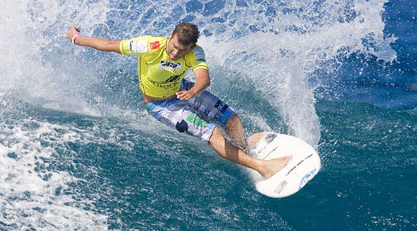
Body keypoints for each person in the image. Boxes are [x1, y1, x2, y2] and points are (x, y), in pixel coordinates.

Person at [67, 22, 291, 179]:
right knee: (211, 133)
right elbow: (109, 45)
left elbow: (204, 78)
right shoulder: (150, 45)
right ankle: (262, 167)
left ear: (191, 47)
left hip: (183, 89)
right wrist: (76, 38)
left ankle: (243, 147)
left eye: (181, 50)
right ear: (170, 37)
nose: (174, 53)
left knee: (231, 118)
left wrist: (193, 91)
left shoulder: (196, 52)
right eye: (173, 46)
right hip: (160, 104)